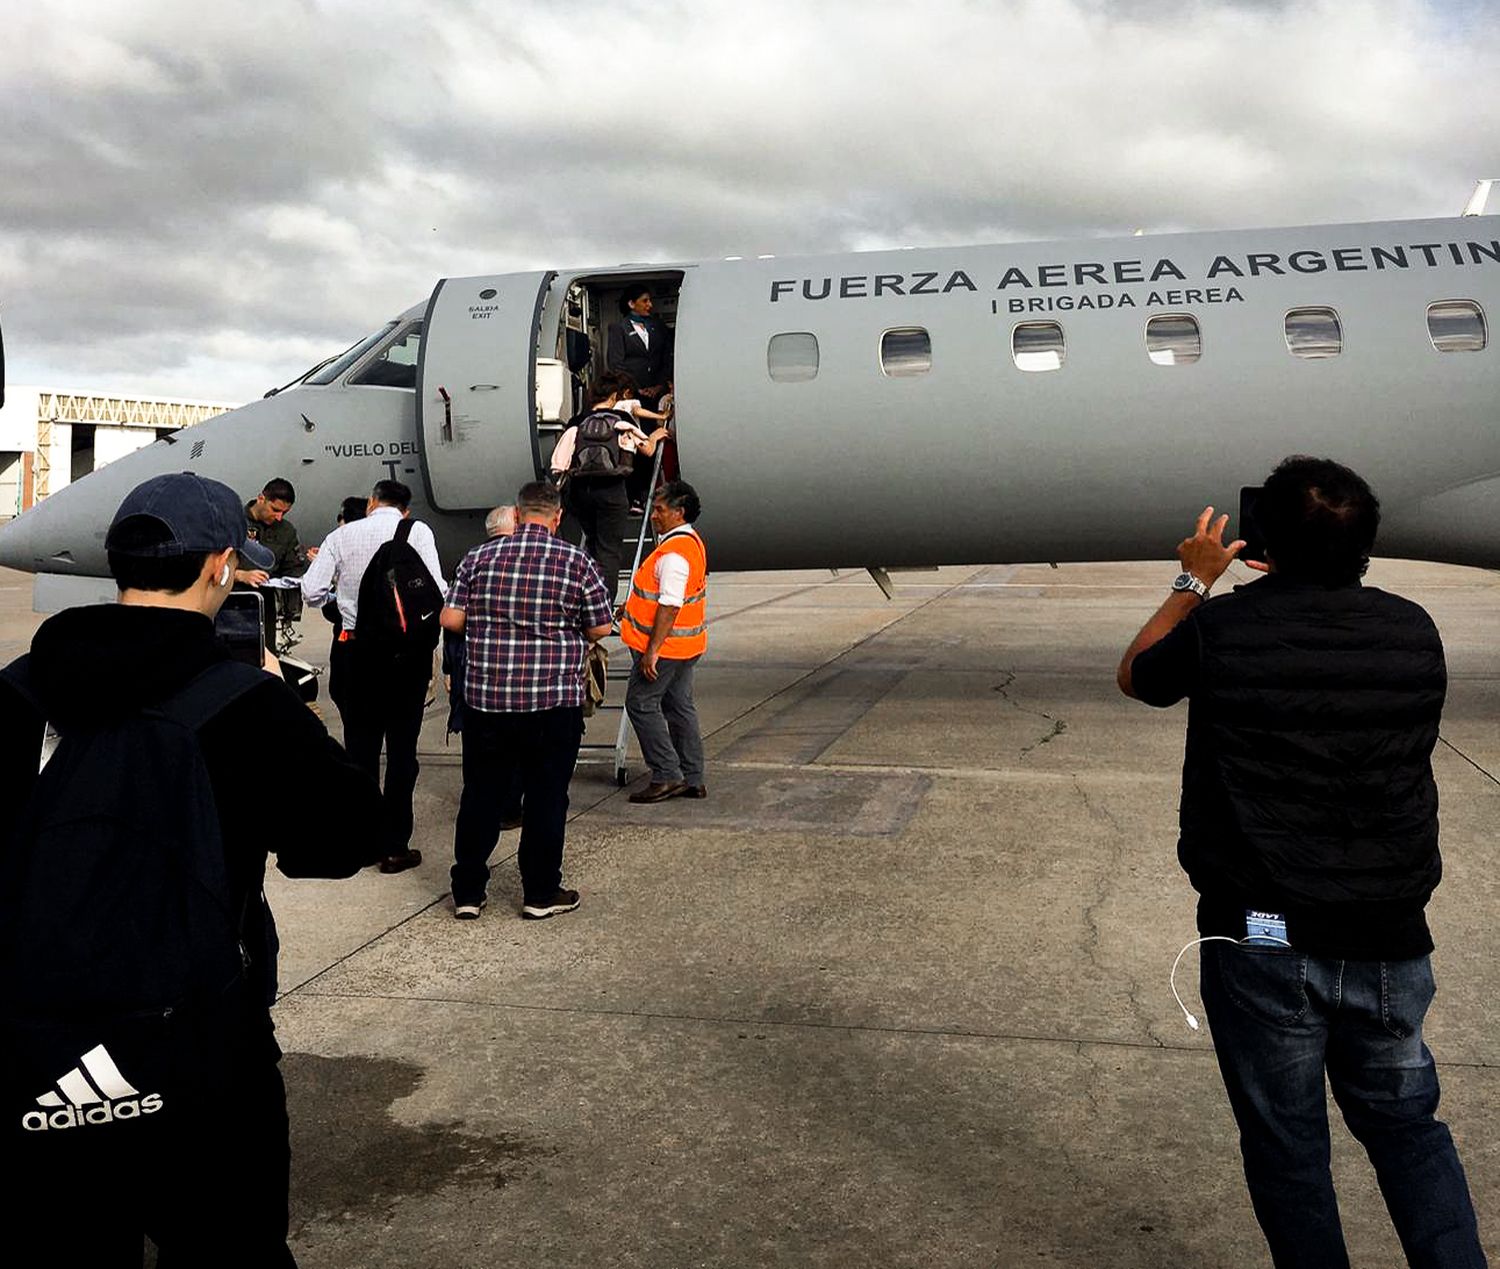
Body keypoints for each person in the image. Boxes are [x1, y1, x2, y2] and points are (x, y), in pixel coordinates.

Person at [0, 472, 382, 1266]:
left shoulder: (16, 692)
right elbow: (344, 839)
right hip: (206, 1051)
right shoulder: (244, 701)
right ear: (217, 566)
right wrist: (289, 706)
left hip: (33, 1051)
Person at [1116, 456, 1485, 1269]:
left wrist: (1192, 579)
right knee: (1408, 1127)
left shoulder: (1221, 629)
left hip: (1263, 937)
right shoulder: (1413, 628)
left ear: (1261, 542)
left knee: (1288, 1147)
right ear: (1364, 546)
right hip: (1389, 936)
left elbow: (1137, 674)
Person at [442, 481, 612, 920]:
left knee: (480, 794)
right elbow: (599, 629)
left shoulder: (478, 558)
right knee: (547, 797)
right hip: (552, 702)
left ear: (516, 516)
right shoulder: (577, 561)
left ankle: (468, 892)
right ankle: (539, 892)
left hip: (487, 700)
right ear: (557, 519)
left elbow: (451, 618)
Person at [300, 479, 447, 875]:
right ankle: (395, 846)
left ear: (371, 502)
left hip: (355, 651)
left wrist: (341, 603)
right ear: (406, 509)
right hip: (405, 658)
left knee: (360, 749)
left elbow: (311, 591)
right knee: (402, 752)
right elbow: (438, 589)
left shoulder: (341, 534)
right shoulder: (417, 532)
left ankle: (363, 840)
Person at [550, 372, 671, 606]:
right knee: (609, 550)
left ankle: (584, 600)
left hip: (581, 494)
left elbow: (559, 465)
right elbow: (646, 449)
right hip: (612, 493)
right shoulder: (620, 420)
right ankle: (602, 607)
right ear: (615, 396)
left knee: (592, 545)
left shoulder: (578, 423)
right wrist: (655, 436)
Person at [622, 480, 707, 803]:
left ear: (678, 512)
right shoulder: (690, 542)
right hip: (688, 645)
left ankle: (666, 775)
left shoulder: (674, 554)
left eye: (659, 509)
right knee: (679, 705)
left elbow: (671, 603)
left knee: (641, 704)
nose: (653, 514)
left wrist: (652, 651)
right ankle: (692, 777)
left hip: (666, 648)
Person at [606, 284, 672, 406]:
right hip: (632, 394)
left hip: (658, 394)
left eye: (650, 300)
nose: (650, 305)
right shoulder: (619, 328)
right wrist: (635, 388)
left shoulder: (658, 326)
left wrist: (658, 386)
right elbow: (616, 364)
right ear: (631, 304)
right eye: (645, 301)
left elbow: (666, 358)